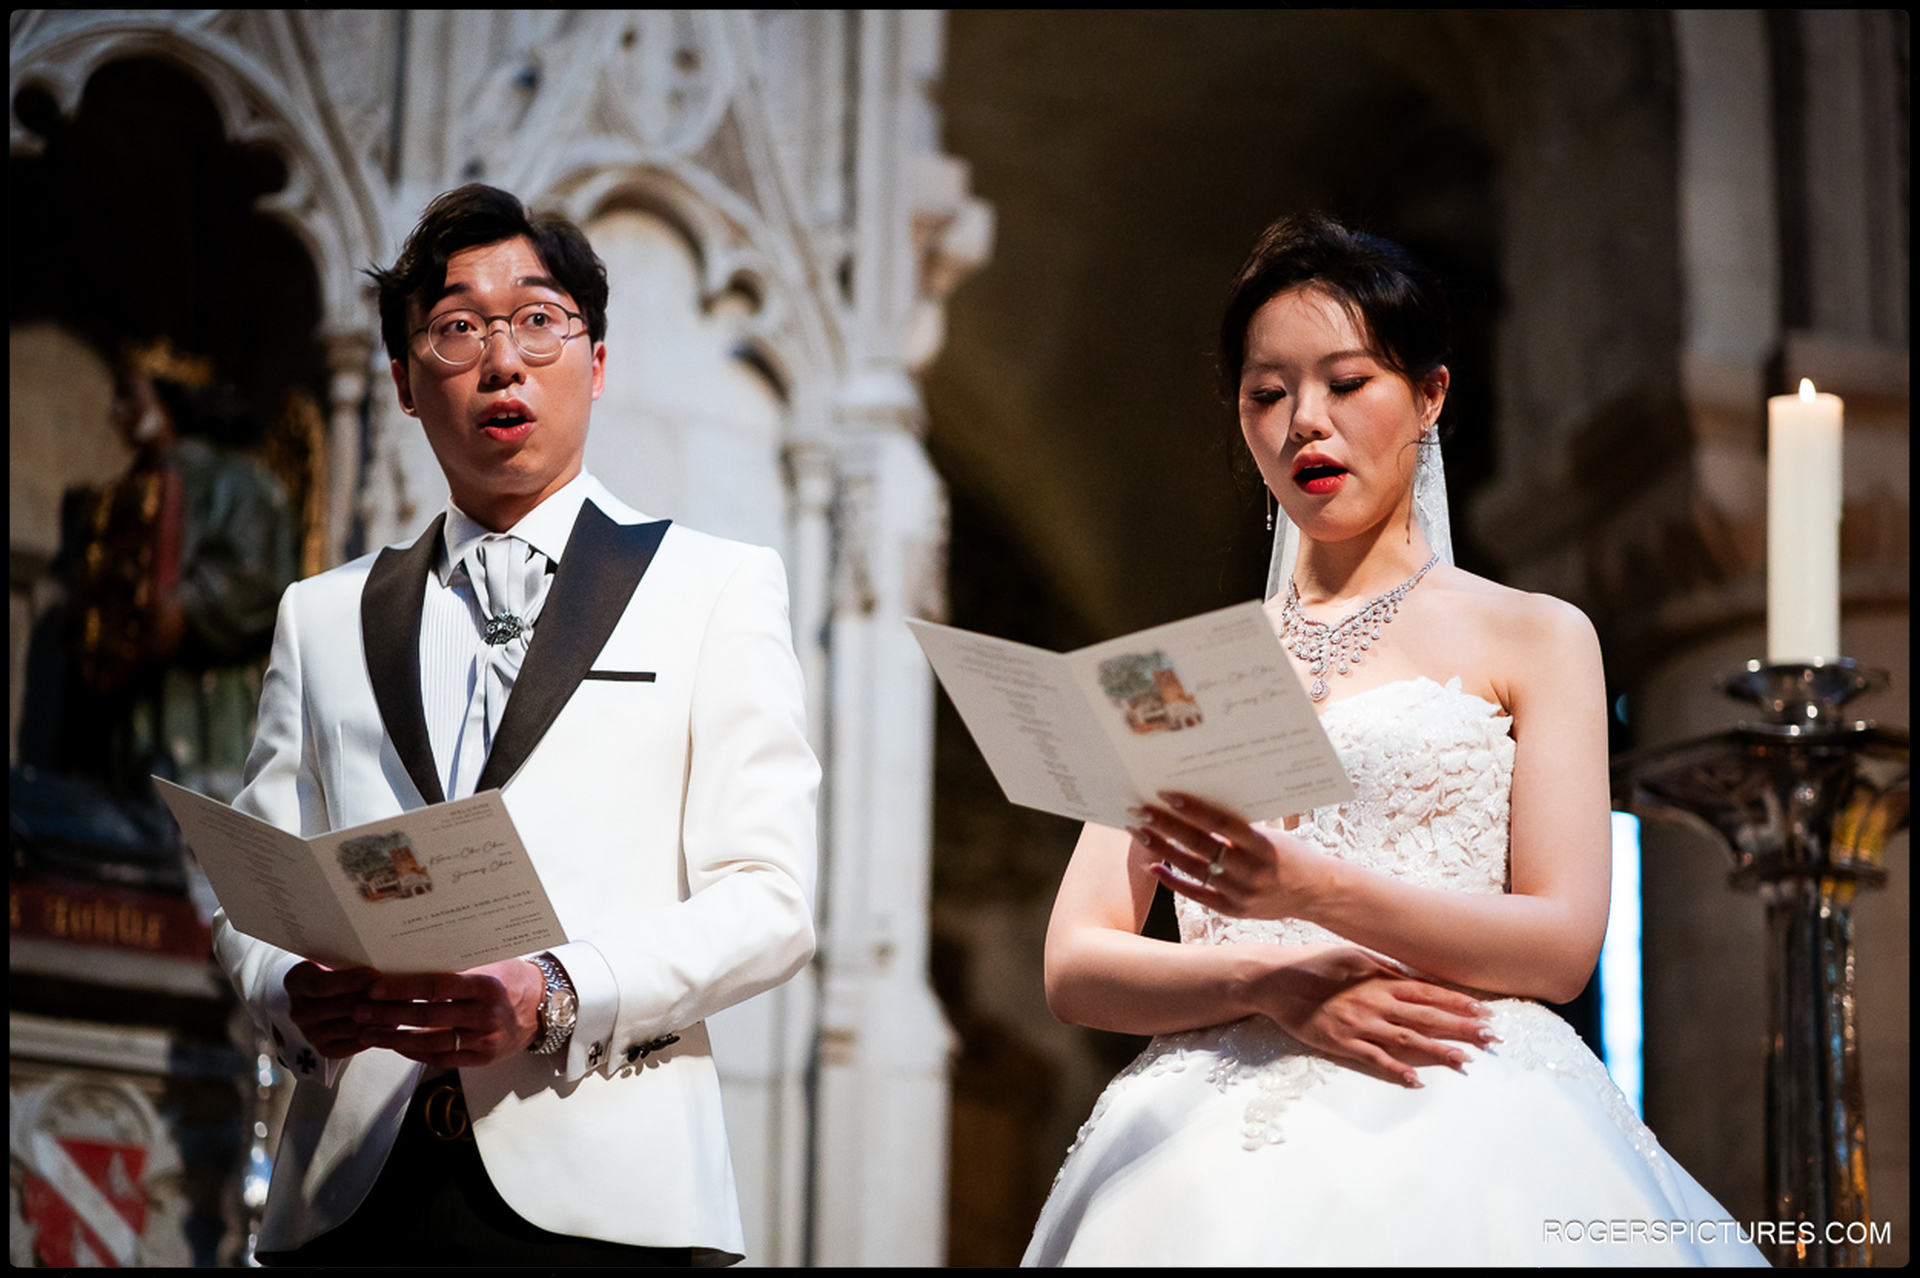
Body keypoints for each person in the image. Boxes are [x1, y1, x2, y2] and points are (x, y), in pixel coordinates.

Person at [1022, 214, 1766, 1266]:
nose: (1304, 424)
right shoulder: (1178, 672)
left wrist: (1312, 890)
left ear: (1430, 396)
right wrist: (1260, 980)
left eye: (1347, 383)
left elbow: (1562, 945)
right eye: (1267, 394)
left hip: (1462, 1107)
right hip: (1203, 1143)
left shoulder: (1536, 635)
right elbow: (1075, 960)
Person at [211, 184, 819, 1266]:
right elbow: (252, 885)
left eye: (538, 320)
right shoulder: (323, 616)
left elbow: (769, 900)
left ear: (597, 360)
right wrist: (288, 990)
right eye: (457, 328)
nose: (503, 362)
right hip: (357, 1195)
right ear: (403, 382)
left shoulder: (713, 587)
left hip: (607, 1195)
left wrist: (559, 992)